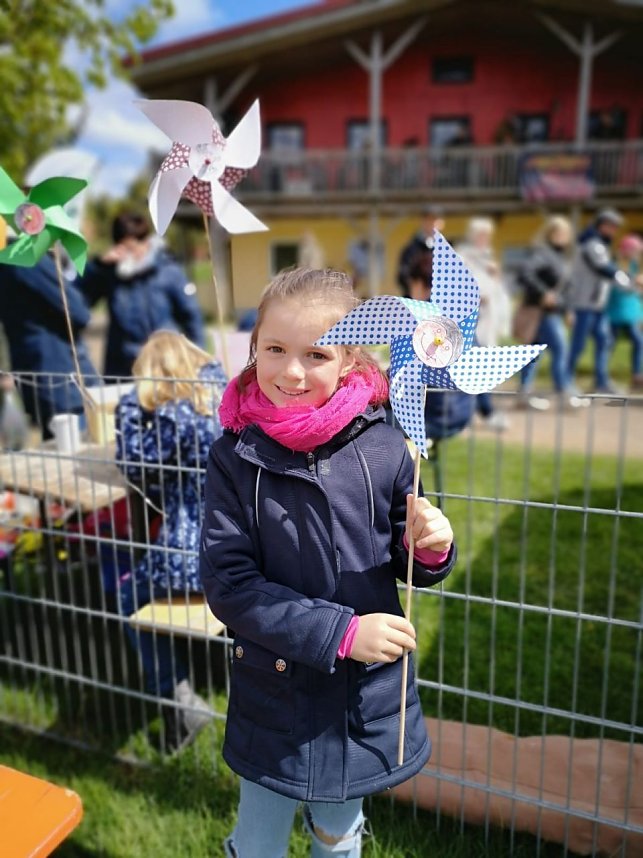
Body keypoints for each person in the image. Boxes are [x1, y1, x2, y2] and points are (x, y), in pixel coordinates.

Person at [200, 267, 457, 857]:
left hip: (362, 696)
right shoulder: (233, 457)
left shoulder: (388, 444)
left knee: (338, 835)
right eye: (275, 349)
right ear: (254, 348)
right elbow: (229, 583)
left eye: (316, 354)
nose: (291, 371)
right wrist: (340, 632)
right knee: (259, 842)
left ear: (349, 362)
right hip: (275, 690)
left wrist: (430, 547)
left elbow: (407, 553)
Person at [115, 330, 227, 752]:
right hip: (242, 542)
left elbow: (133, 464)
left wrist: (131, 404)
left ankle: (177, 696)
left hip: (192, 551)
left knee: (128, 594)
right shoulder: (223, 398)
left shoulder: (173, 415)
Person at [80, 212, 205, 379]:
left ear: (146, 242)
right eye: (125, 249)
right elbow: (79, 299)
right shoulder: (110, 274)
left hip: (165, 363)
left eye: (133, 248)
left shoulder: (169, 271)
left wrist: (198, 361)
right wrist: (98, 266)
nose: (132, 254)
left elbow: (191, 316)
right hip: (123, 368)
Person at [0, 249, 98, 436]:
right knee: (79, 448)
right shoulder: (27, 259)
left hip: (35, 374)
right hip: (63, 379)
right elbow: (80, 312)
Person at [515, 216, 587, 410]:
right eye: (557, 232)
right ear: (549, 233)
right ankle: (564, 392)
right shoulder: (542, 253)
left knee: (533, 353)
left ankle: (524, 394)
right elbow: (525, 273)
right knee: (560, 349)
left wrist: (568, 310)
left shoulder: (561, 257)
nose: (561, 236)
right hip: (542, 313)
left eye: (565, 233)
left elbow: (566, 288)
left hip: (554, 312)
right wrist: (543, 293)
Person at [567, 208, 630, 394]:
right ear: (602, 225)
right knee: (578, 344)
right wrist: (630, 283)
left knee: (604, 340)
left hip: (597, 305)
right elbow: (605, 269)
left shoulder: (601, 244)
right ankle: (566, 381)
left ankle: (601, 382)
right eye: (612, 226)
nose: (614, 230)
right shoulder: (592, 244)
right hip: (583, 303)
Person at [456, 218, 511, 430]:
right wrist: (475, 297)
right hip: (469, 318)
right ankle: (486, 412)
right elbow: (458, 284)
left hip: (488, 318)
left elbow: (497, 289)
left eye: (487, 235)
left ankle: (472, 411)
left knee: (480, 366)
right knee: (476, 366)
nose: (484, 239)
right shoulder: (463, 255)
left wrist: (496, 277)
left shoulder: (488, 258)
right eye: (481, 234)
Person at [607, 234, 643, 389]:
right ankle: (602, 375)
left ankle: (636, 374)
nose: (637, 254)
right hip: (616, 310)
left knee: (638, 341)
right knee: (610, 343)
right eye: (634, 250)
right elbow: (619, 287)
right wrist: (635, 283)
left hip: (631, 311)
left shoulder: (635, 266)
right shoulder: (616, 265)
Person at [397, 205, 445, 298]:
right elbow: (403, 274)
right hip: (417, 300)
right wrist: (416, 287)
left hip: (440, 300)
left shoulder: (448, 249)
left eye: (434, 220)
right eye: (428, 220)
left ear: (442, 223)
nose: (431, 223)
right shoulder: (411, 249)